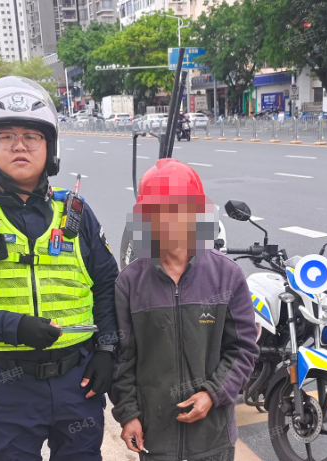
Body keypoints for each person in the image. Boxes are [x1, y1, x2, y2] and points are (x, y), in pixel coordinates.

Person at [0, 76, 120, 461]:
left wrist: (106, 350)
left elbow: (107, 287)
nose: (19, 145)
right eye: (5, 135)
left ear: (49, 146)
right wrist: (15, 326)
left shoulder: (77, 214)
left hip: (77, 380)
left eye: (32, 136)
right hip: (7, 386)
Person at [111, 158, 260, 460]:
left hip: (214, 438)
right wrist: (128, 415)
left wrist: (212, 394)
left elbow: (243, 348)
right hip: (156, 439)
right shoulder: (129, 283)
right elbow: (122, 359)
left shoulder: (227, 275)